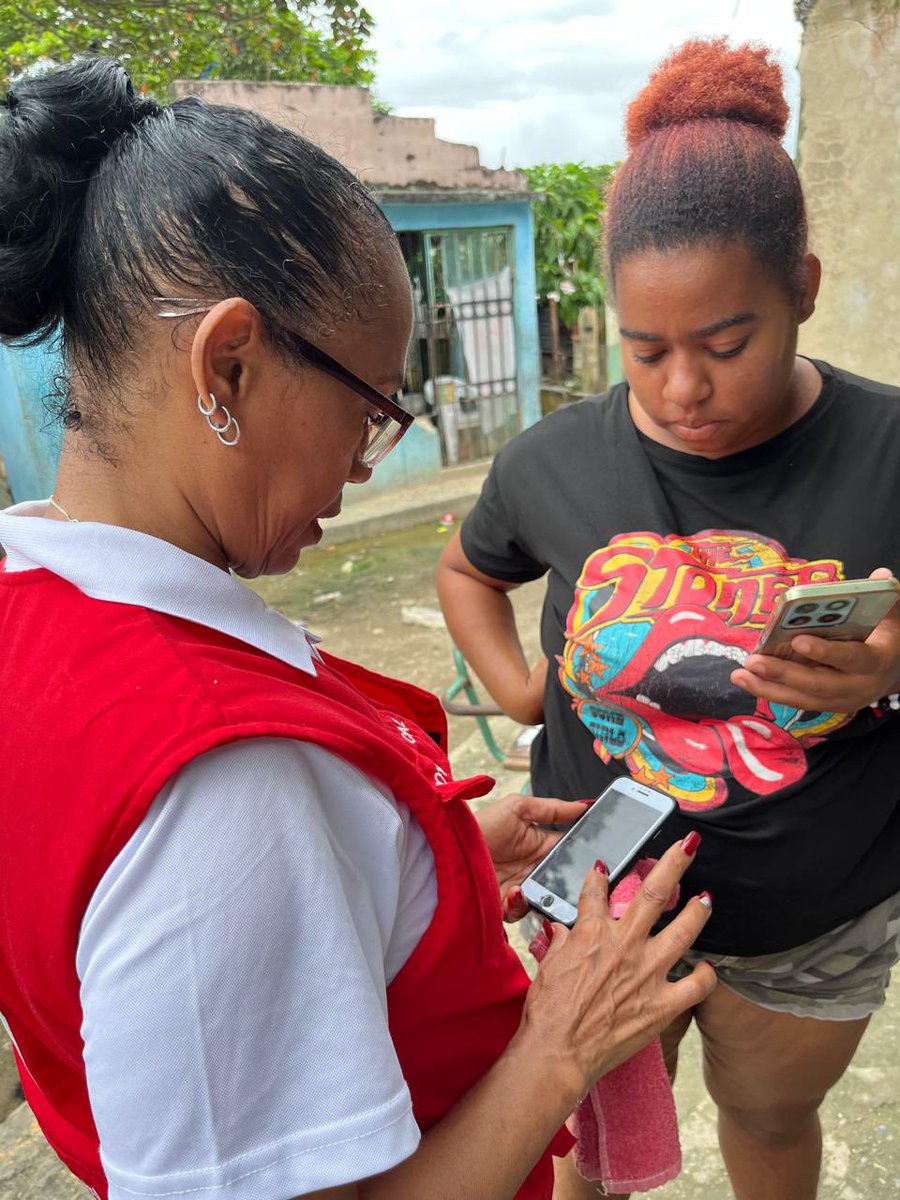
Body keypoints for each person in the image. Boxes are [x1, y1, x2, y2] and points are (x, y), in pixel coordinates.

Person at [0, 57, 716, 1200]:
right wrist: (563, 1041)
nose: (364, 458)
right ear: (226, 364)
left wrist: (420, 882)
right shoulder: (230, 780)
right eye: (371, 406)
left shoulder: (30, 608)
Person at [438, 37, 900, 1200]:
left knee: (769, 1120)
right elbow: (465, 569)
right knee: (589, 1150)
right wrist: (515, 688)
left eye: (725, 344)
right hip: (600, 905)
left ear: (801, 286)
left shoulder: (890, 448)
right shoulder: (548, 463)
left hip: (811, 923)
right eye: (646, 350)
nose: (683, 388)